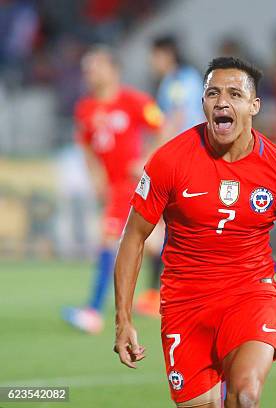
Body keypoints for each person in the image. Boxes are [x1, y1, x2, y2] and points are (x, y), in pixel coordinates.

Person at [113, 56, 276, 408]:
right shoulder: (170, 161)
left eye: (234, 94)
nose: (222, 102)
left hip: (250, 295)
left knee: (245, 396)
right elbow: (133, 236)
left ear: (254, 105)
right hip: (185, 303)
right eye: (212, 93)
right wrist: (123, 320)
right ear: (203, 104)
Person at [62, 46, 164, 334]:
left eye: (95, 65)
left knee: (108, 240)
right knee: (155, 242)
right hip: (113, 185)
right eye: (87, 67)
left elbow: (162, 129)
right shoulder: (85, 108)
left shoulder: (134, 101)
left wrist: (146, 159)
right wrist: (95, 176)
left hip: (131, 184)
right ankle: (168, 298)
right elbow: (85, 145)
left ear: (113, 69)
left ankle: (93, 310)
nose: (89, 72)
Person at [132, 34, 205, 317]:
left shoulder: (179, 81)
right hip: (185, 157)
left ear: (166, 54)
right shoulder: (182, 79)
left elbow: (174, 119)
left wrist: (152, 156)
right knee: (168, 227)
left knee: (162, 226)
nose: (153, 62)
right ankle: (161, 292)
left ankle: (161, 293)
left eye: (155, 55)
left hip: (184, 159)